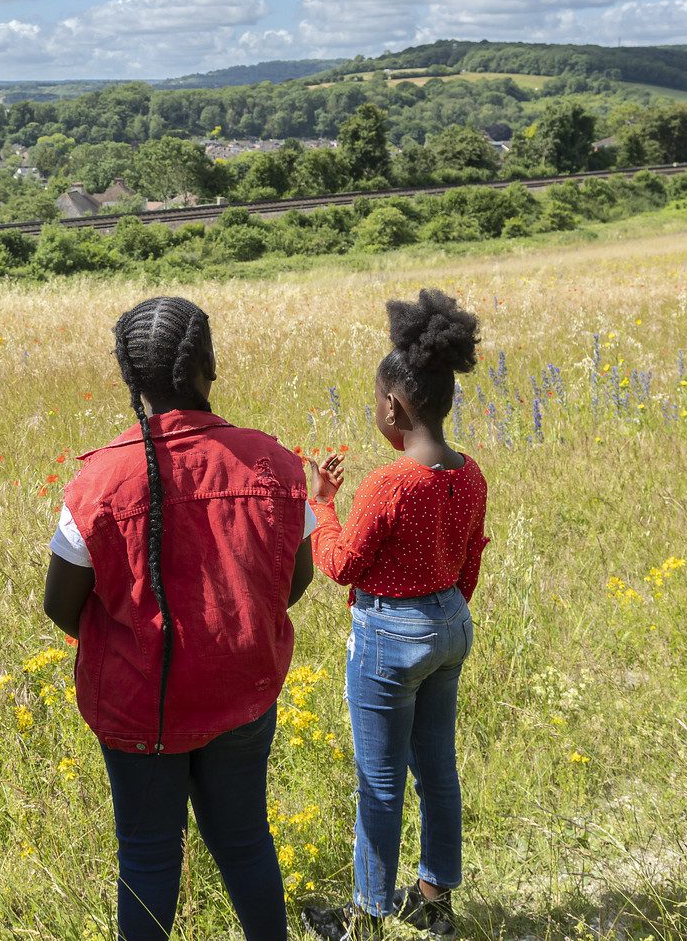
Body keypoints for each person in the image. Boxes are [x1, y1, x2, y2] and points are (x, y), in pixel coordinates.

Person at [41, 296, 317, 941]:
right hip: (244, 693)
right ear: (210, 365)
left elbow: (61, 606)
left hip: (140, 707)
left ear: (128, 378)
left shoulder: (99, 481)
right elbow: (292, 581)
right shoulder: (273, 463)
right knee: (247, 840)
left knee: (148, 854)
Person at [307, 289, 488, 939]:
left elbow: (342, 563)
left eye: (374, 400)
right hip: (449, 626)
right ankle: (435, 899)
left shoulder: (388, 483)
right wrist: (446, 608)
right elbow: (469, 559)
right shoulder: (468, 473)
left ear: (395, 405)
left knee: (379, 782)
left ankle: (367, 916)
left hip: (390, 636)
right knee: (437, 768)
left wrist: (322, 505)